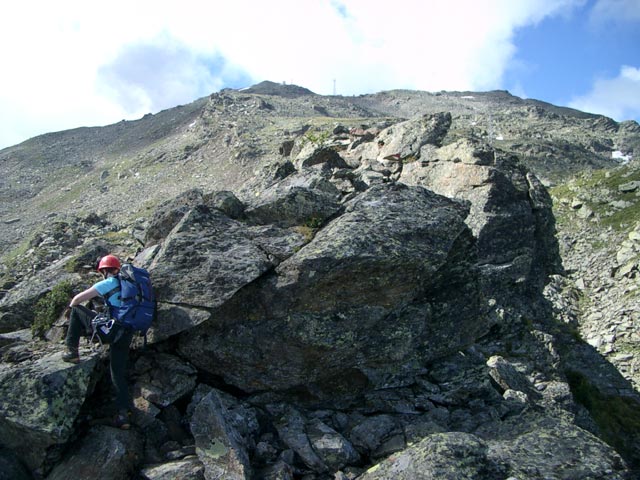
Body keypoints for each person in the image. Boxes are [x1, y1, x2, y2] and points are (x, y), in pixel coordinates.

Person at [62, 254, 134, 429]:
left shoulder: (108, 283)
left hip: (111, 332)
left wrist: (70, 312)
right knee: (117, 372)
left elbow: (77, 300)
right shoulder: (130, 285)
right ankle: (124, 415)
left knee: (78, 310)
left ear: (103, 271)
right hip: (127, 333)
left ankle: (72, 351)